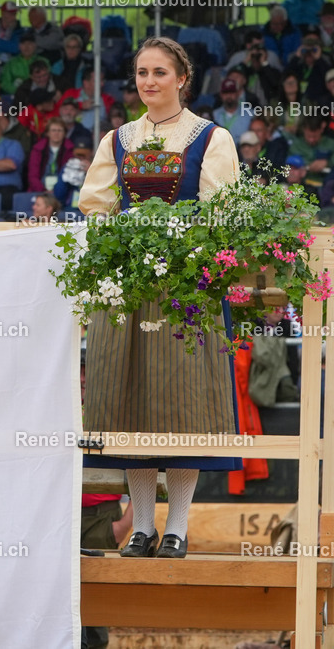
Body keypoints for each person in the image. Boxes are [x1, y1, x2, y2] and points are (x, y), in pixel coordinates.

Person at [78, 37, 240, 559]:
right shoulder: (118, 139)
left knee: (182, 406)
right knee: (133, 405)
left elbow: (222, 216)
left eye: (160, 73)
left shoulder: (211, 139)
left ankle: (180, 527)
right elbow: (97, 208)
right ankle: (143, 526)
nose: (149, 81)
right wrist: (117, 242)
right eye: (142, 72)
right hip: (126, 290)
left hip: (186, 291)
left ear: (181, 79)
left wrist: (177, 242)